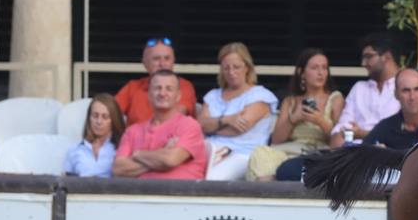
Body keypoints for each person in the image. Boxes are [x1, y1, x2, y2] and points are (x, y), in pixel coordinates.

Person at [246, 49, 342, 181]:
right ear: (301, 73)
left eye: (324, 68)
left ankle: (275, 183)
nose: (321, 73)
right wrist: (294, 119)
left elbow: (340, 140)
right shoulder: (290, 101)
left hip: (319, 153)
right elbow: (276, 140)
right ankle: (271, 188)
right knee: (260, 153)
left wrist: (321, 121)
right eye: (315, 68)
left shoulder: (335, 99)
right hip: (290, 152)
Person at [197, 42, 278, 182]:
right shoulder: (213, 95)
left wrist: (209, 127)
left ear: (247, 67)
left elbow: (239, 129)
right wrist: (226, 120)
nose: (231, 72)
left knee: (211, 180)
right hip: (208, 149)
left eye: (236, 67)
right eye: (226, 68)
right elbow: (199, 126)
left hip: (242, 154)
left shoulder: (260, 95)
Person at [112, 70, 208, 180]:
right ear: (149, 95)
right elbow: (118, 169)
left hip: (180, 194)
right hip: (141, 195)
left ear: (178, 96)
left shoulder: (190, 126)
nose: (162, 93)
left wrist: (138, 154)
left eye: (169, 89)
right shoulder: (132, 131)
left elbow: (170, 160)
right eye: (157, 88)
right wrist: (160, 156)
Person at [331, 33, 401, 147]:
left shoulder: (407, 88)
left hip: (392, 157)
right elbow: (340, 130)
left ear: (386, 56)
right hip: (356, 156)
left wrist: (363, 134)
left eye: (368, 57)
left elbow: (407, 134)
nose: (363, 63)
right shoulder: (359, 88)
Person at [113, 36, 197, 124]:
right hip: (135, 137)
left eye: (167, 58)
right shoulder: (132, 87)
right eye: (156, 59)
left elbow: (173, 118)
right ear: (145, 63)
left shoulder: (183, 86)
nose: (162, 64)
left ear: (173, 61)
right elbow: (108, 111)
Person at [363, 68, 418, 148]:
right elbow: (362, 152)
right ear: (396, 94)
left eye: (417, 89)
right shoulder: (386, 126)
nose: (412, 97)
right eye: (406, 90)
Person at [63, 92, 125, 178]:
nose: (99, 121)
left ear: (114, 120)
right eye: (95, 116)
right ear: (89, 118)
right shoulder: (74, 150)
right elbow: (65, 182)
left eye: (105, 117)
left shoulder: (122, 149)